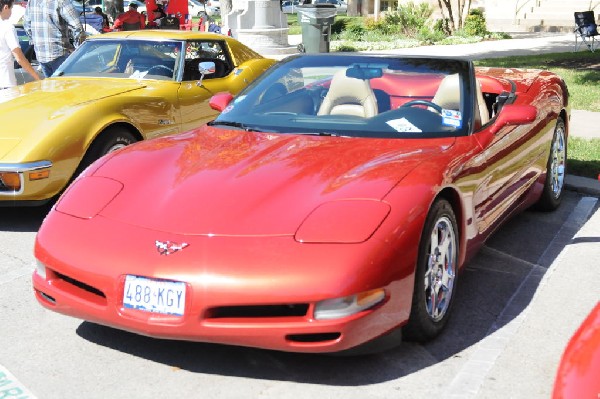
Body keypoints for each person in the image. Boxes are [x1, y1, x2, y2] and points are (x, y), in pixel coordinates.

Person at [23, 0, 84, 78]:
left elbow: (27, 25)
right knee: (65, 88)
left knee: (51, 88)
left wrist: (35, 42)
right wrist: (78, 50)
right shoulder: (61, 1)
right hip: (59, 53)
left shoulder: (32, 1)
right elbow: (77, 26)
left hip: (41, 54)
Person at [0, 0, 40, 87]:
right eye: (11, 8)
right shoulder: (7, 28)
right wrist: (37, 77)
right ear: (5, 7)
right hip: (6, 83)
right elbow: (19, 58)